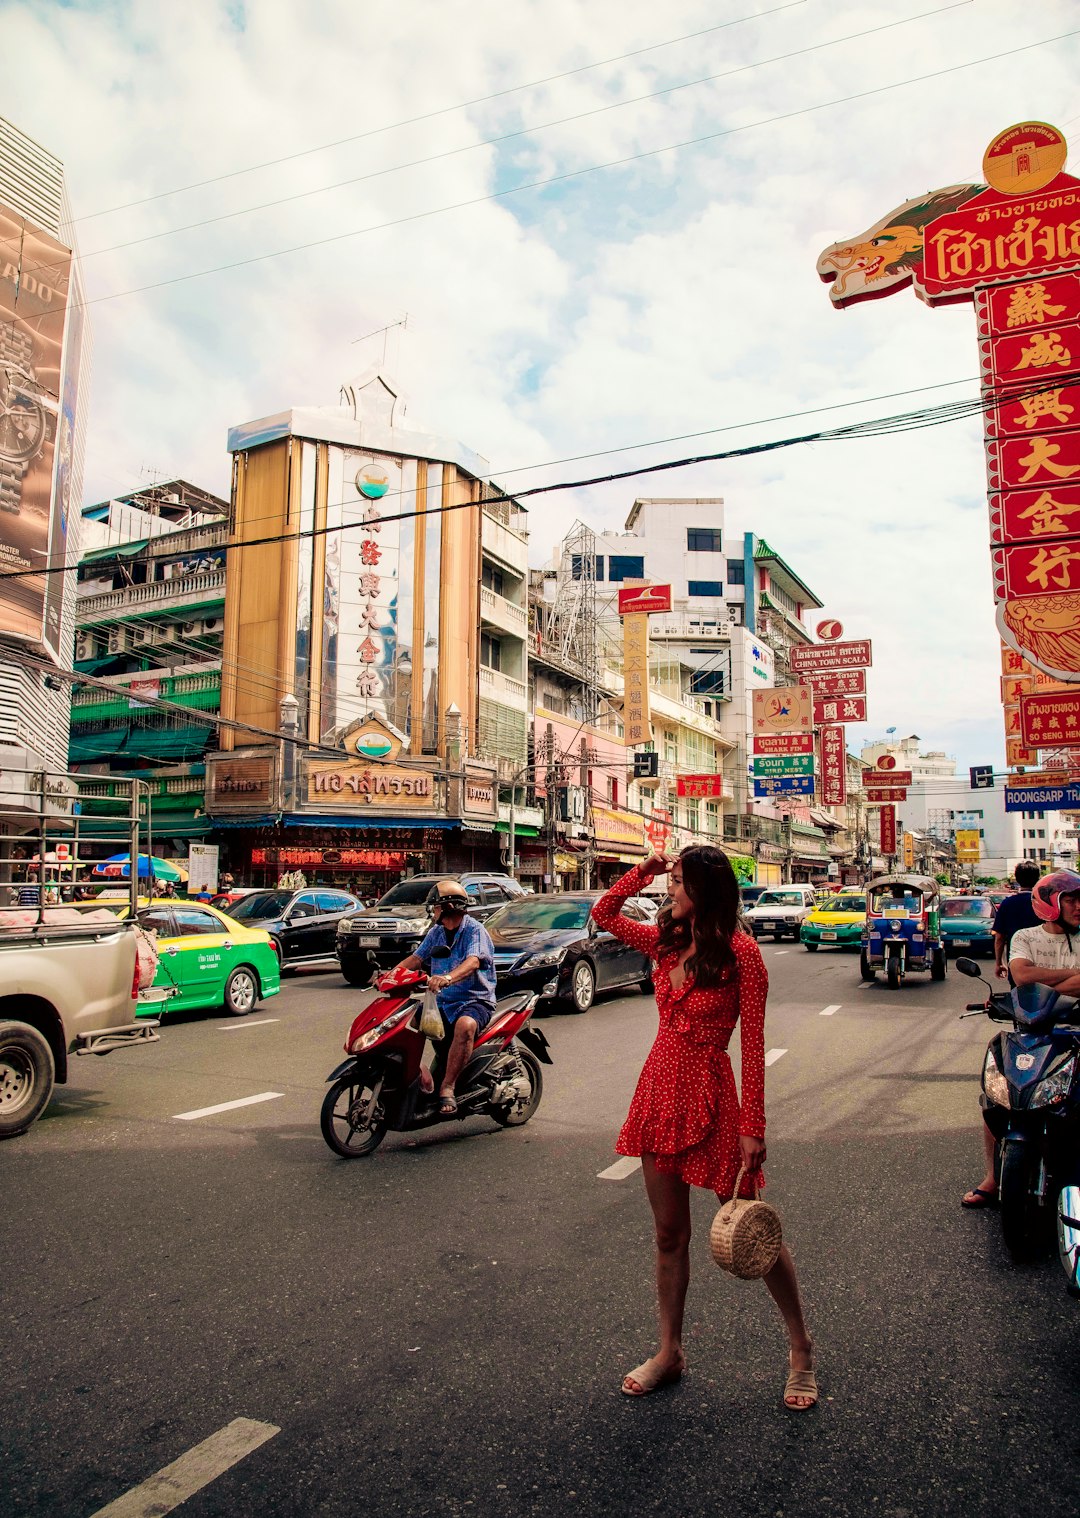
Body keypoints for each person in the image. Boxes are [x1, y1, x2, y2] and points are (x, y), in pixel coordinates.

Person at [592, 847, 817, 1411]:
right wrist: (641, 869)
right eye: (667, 879)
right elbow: (604, 913)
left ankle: (801, 1348)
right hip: (658, 1090)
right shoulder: (668, 938)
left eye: (676, 880)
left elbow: (754, 1041)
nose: (668, 888)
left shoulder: (743, 954)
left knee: (755, 1233)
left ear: (705, 888)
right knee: (670, 1235)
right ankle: (669, 1352)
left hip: (713, 1094)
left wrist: (753, 1125)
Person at [963, 869, 1080, 1209]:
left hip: (1075, 1032)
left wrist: (1037, 988)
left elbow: (1028, 984)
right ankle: (993, 1176)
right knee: (999, 1098)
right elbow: (1021, 975)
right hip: (1031, 1032)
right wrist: (1072, 977)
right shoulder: (1026, 937)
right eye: (1070, 900)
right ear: (1049, 903)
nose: (1077, 907)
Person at [391, 880, 496, 1115]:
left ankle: (447, 1087)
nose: (433, 911)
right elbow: (417, 959)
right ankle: (420, 1078)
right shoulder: (436, 932)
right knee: (403, 1025)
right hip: (442, 1001)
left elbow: (473, 962)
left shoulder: (474, 930)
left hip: (474, 1000)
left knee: (465, 1026)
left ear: (448, 907)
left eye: (436, 907)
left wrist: (447, 977)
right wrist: (391, 975)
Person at [991, 862, 1041, 983]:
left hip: (1017, 964)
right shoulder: (1044, 903)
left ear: (1017, 879)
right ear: (1038, 878)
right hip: (1044, 963)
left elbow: (1000, 938)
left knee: (1018, 998)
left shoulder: (1007, 904)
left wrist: (999, 963)